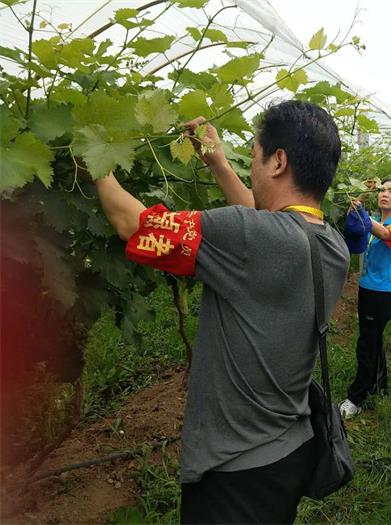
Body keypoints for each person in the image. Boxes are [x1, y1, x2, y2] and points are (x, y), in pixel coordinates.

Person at [90, 100, 350, 524]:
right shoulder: (330, 245)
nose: (253, 167)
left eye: (255, 156)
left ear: (279, 161)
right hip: (290, 448)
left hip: (235, 468)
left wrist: (98, 162)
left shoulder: (249, 237)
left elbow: (133, 225)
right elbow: (265, 220)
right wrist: (220, 165)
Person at [339, 180, 391, 419]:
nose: (385, 194)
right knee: (374, 340)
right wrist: (361, 196)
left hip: (380, 294)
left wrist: (364, 217)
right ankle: (380, 384)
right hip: (367, 289)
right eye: (382, 190)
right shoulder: (373, 220)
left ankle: (356, 398)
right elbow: (362, 227)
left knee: (366, 345)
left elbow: (384, 233)